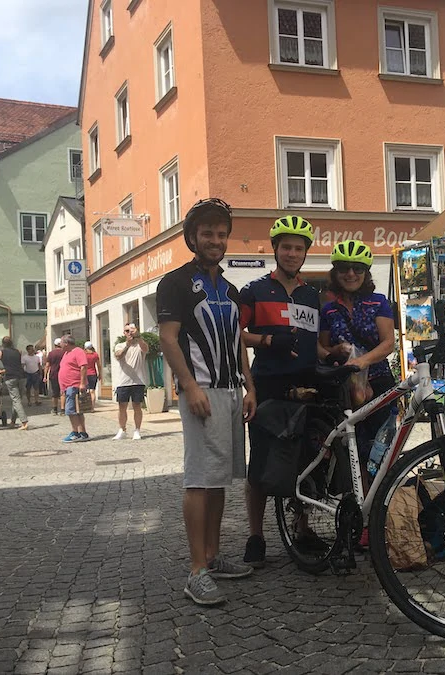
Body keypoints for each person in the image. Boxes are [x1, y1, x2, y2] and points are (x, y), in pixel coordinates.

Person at [157, 197, 257, 606]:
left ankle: (213, 558)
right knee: (199, 479)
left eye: (221, 234)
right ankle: (196, 569)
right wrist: (189, 386)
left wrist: (250, 387)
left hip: (231, 390)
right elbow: (167, 338)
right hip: (201, 391)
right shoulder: (175, 283)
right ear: (192, 238)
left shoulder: (230, 289)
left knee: (219, 479)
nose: (215, 240)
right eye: (207, 234)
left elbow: (237, 345)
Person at [239, 215, 335, 568]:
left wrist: (333, 354)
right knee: (261, 466)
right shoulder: (255, 290)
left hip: (308, 387)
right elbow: (234, 337)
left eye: (299, 248)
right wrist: (265, 339)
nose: (293, 253)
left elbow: (315, 345)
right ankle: (255, 537)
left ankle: (302, 526)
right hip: (269, 386)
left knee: (307, 462)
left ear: (306, 253)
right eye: (287, 247)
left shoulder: (312, 295)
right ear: (275, 249)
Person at [319, 240, 396, 494]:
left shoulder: (378, 302)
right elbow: (321, 349)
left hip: (379, 383)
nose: (351, 274)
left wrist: (363, 361)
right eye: (344, 268)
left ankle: (382, 506)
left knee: (382, 449)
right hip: (346, 388)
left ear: (366, 273)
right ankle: (361, 510)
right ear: (335, 272)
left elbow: (388, 343)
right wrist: (335, 352)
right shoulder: (329, 309)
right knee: (355, 451)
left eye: (357, 269)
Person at [112, 327, 149, 440]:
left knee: (137, 406)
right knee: (122, 406)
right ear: (124, 333)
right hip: (123, 381)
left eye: (132, 331)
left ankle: (137, 430)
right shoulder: (120, 345)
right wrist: (127, 345)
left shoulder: (140, 344)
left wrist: (138, 337)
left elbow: (145, 348)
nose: (130, 333)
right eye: (127, 331)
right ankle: (122, 430)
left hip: (138, 381)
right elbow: (118, 356)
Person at [0, 337, 28, 430]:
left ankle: (24, 422)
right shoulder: (18, 351)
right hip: (21, 376)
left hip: (10, 377)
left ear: (2, 344)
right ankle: (12, 422)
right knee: (17, 400)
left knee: (16, 400)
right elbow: (16, 365)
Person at [57, 336, 89, 442]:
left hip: (74, 385)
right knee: (77, 410)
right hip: (67, 386)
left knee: (71, 410)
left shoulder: (78, 351)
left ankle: (75, 432)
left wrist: (82, 383)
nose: (59, 345)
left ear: (66, 343)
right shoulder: (66, 353)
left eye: (61, 343)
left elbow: (83, 367)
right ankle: (82, 432)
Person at [44, 338, 65, 415]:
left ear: (55, 345)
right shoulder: (64, 353)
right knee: (63, 392)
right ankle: (63, 409)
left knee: (55, 393)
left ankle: (55, 409)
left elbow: (47, 365)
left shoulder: (51, 353)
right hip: (63, 374)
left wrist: (45, 376)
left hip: (53, 374)